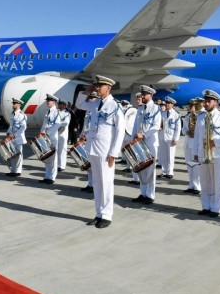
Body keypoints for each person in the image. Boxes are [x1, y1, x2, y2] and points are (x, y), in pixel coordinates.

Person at [75, 76, 125, 228]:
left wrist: (114, 153)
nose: (97, 88)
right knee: (97, 182)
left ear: (108, 88)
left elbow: (120, 131)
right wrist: (86, 91)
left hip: (106, 151)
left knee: (106, 183)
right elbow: (79, 104)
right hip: (93, 148)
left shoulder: (115, 106)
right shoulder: (95, 103)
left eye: (100, 86)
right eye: (96, 86)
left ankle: (107, 215)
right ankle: (98, 214)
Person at [192, 89, 220, 217]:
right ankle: (206, 206)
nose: (206, 103)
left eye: (209, 101)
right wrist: (195, 152)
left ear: (215, 102)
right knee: (205, 182)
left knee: (218, 183)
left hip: (218, 154)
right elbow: (197, 136)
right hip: (204, 153)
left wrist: (216, 142)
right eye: (205, 101)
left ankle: (216, 208)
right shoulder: (201, 117)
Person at [131, 85, 161, 204]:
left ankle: (150, 195)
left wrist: (144, 135)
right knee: (141, 169)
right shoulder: (140, 108)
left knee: (150, 170)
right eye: (142, 94)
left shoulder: (155, 108)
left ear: (151, 95)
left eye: (145, 94)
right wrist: (133, 138)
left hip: (151, 142)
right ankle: (143, 193)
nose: (142, 96)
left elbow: (156, 126)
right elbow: (136, 125)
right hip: (140, 142)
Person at [159, 96, 181, 180]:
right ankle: (164, 171)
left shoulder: (176, 115)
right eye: (166, 103)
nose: (167, 105)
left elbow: (178, 128)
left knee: (170, 156)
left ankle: (170, 172)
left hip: (171, 137)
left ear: (172, 104)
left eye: (168, 103)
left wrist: (176, 138)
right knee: (164, 155)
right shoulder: (163, 113)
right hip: (163, 136)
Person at [5, 98, 27, 177]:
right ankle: (13, 171)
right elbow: (11, 126)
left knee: (18, 155)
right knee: (12, 154)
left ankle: (18, 171)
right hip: (12, 137)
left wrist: (15, 135)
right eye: (13, 103)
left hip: (18, 137)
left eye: (14, 103)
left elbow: (23, 127)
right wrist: (8, 133)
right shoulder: (13, 114)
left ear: (18, 105)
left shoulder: (21, 115)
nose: (13, 105)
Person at [55, 100, 71, 172]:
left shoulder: (66, 113)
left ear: (65, 106)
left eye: (61, 104)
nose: (59, 106)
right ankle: (56, 164)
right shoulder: (55, 112)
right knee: (56, 149)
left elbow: (66, 122)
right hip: (55, 133)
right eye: (59, 104)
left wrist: (57, 124)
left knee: (62, 149)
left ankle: (61, 165)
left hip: (62, 133)